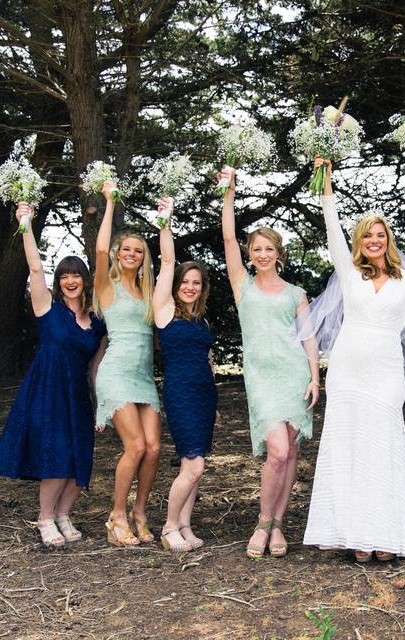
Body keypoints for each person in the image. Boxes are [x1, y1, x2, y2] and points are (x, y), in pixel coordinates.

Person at [302, 157, 405, 562]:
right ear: (360, 241)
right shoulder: (350, 273)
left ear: (388, 239)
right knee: (349, 447)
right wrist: (326, 184)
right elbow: (332, 234)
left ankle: (385, 534)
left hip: (384, 373)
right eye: (367, 236)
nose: (374, 241)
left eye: (380, 235)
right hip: (346, 370)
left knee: (383, 447)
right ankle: (355, 534)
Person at [0, 203, 107, 547]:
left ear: (85, 280)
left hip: (77, 394)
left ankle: (63, 514)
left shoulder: (97, 323)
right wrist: (25, 224)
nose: (71, 281)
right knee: (55, 455)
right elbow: (35, 268)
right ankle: (44, 519)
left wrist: (100, 405)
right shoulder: (47, 308)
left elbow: (95, 367)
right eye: (65, 276)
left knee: (79, 457)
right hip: (47, 389)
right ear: (60, 282)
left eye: (76, 275)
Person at [219, 167, 319, 559]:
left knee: (291, 452)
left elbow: (309, 337)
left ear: (278, 254)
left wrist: (315, 378)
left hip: (295, 375)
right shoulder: (241, 286)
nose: (262, 254)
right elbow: (227, 236)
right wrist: (229, 191)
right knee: (276, 450)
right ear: (250, 254)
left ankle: (279, 523)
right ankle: (263, 520)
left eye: (269, 249)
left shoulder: (295, 292)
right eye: (256, 249)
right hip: (261, 378)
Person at [93, 181, 162, 546]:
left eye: (139, 250)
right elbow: (101, 247)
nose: (132, 254)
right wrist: (108, 203)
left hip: (143, 377)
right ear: (120, 254)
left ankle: (140, 512)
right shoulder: (108, 286)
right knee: (134, 446)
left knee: (153, 448)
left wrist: (165, 223)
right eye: (127, 249)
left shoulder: (149, 291)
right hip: (117, 373)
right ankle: (116, 516)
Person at [151, 197, 218, 552]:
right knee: (193, 465)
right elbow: (166, 261)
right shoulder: (164, 312)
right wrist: (166, 222)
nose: (190, 287)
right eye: (185, 281)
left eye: (196, 282)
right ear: (176, 284)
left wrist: (214, 402)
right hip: (180, 393)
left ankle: (186, 527)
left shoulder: (202, 319)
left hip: (204, 394)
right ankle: (168, 527)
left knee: (197, 467)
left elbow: (207, 360)